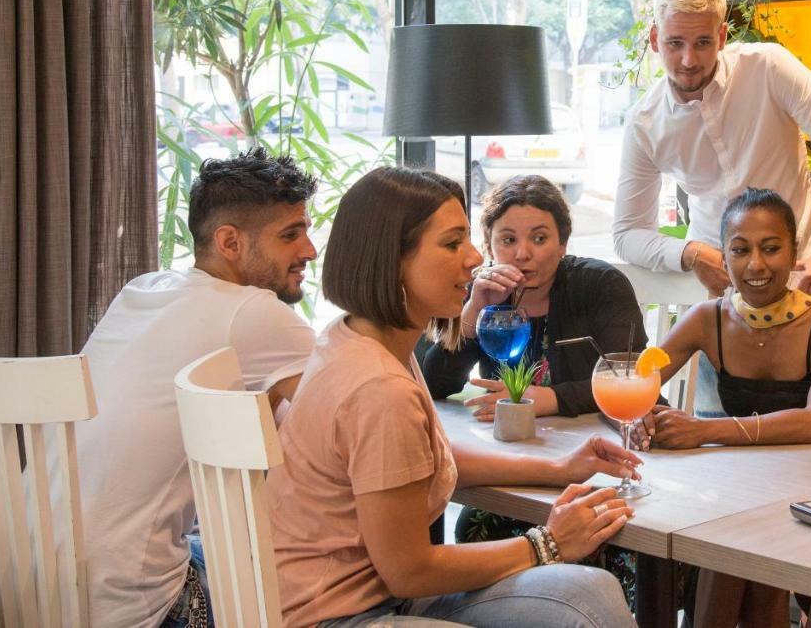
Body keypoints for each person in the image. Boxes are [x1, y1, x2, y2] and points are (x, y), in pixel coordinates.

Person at [267, 167, 638, 628]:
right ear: (391, 259)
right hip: (341, 614)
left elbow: (426, 460)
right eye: (452, 243)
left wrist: (558, 468)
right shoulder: (378, 387)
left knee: (591, 591)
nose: (475, 257)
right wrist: (549, 543)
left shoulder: (358, 340)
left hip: (379, 595)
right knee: (584, 606)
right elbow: (409, 570)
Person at [78, 148, 319, 628]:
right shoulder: (253, 312)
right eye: (291, 234)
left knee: (211, 547)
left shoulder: (142, 289)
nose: (310, 250)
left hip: (22, 582)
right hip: (129, 607)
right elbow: (360, 417)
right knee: (300, 594)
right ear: (229, 242)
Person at [638, 188, 811, 628]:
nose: (755, 265)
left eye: (771, 248)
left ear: (794, 252)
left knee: (735, 540)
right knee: (705, 532)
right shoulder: (707, 318)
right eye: (740, 250)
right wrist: (638, 410)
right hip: (742, 488)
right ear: (725, 257)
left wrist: (703, 429)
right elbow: (639, 378)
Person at [612, 0, 811, 303]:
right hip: (716, 295)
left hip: (801, 283)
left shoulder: (769, 68)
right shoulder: (644, 123)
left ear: (722, 37)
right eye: (674, 43)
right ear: (654, 39)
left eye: (703, 43)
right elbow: (627, 234)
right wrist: (691, 252)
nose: (688, 60)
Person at [422, 174, 646, 420]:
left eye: (539, 239)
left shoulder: (600, 285)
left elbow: (631, 379)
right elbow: (434, 385)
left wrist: (551, 399)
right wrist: (475, 309)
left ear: (563, 243)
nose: (522, 253)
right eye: (508, 240)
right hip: (507, 440)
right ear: (488, 244)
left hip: (591, 436)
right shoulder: (484, 291)